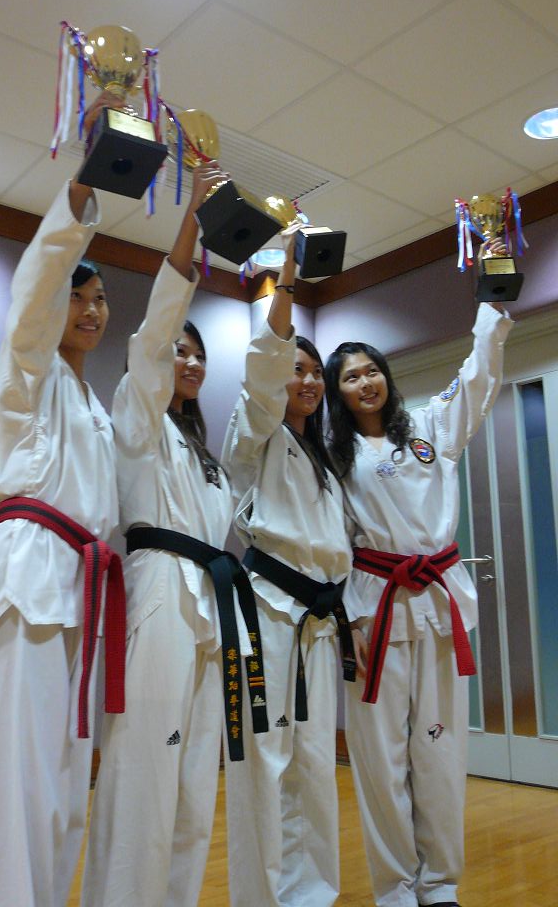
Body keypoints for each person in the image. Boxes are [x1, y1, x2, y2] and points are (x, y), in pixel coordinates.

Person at [81, 162, 261, 907]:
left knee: (193, 783)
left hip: (213, 607)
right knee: (143, 776)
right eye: (179, 350)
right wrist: (195, 221)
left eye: (199, 355)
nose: (187, 360)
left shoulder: (205, 456)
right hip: (159, 593)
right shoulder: (136, 415)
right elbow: (154, 338)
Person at [324, 288, 513, 907]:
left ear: (387, 375)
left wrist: (491, 310)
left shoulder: (431, 427)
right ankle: (396, 889)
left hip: (437, 603)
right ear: (338, 393)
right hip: (374, 611)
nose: (366, 382)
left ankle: (440, 884)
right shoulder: (335, 459)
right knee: (380, 760)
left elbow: (477, 379)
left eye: (372, 370)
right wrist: (348, 618)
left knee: (439, 748)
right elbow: (333, 544)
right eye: (351, 377)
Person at [0, 93, 125, 907]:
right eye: (81, 296)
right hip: (30, 574)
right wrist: (87, 178)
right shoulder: (30, 373)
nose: (92, 311)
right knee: (19, 781)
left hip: (82, 586)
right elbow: (36, 290)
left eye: (100, 300)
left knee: (67, 785)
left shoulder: (91, 405)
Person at [221, 235, 355, 907]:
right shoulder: (256, 436)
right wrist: (289, 280)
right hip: (268, 615)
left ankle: (313, 894)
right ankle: (260, 898)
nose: (305, 380)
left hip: (319, 625)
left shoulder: (323, 460)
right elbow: (263, 368)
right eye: (293, 369)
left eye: (313, 373)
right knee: (265, 764)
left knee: (314, 765)